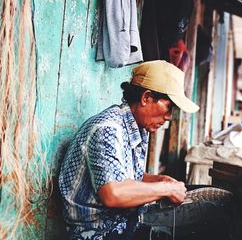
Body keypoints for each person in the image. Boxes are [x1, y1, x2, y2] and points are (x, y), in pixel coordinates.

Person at [58, 60, 199, 239]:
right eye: (168, 107)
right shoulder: (107, 129)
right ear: (146, 98)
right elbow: (113, 193)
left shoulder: (137, 127)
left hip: (121, 222)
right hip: (96, 232)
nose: (169, 117)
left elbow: (126, 177)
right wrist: (166, 189)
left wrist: (159, 180)